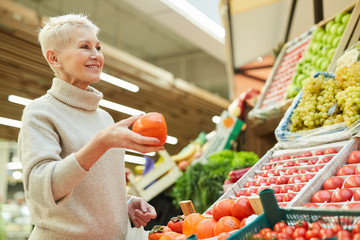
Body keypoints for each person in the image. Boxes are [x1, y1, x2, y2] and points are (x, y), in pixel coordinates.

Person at [17, 13, 163, 240]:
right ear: (54, 58)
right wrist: (100, 143)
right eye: (85, 47)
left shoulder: (104, 118)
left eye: (98, 47)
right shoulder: (40, 113)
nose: (96, 55)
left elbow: (90, 191)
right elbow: (41, 190)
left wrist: (125, 203)